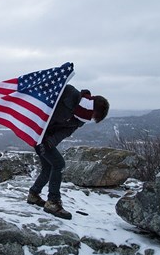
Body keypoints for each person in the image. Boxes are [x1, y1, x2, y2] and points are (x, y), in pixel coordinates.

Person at [27, 84, 109, 220]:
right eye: (94, 115)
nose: (90, 119)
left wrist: (49, 142)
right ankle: (53, 202)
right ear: (92, 107)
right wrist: (40, 138)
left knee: (49, 166)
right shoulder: (69, 93)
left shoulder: (80, 119)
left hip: (45, 139)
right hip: (37, 132)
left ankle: (33, 195)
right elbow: (46, 100)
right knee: (59, 164)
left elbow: (64, 132)